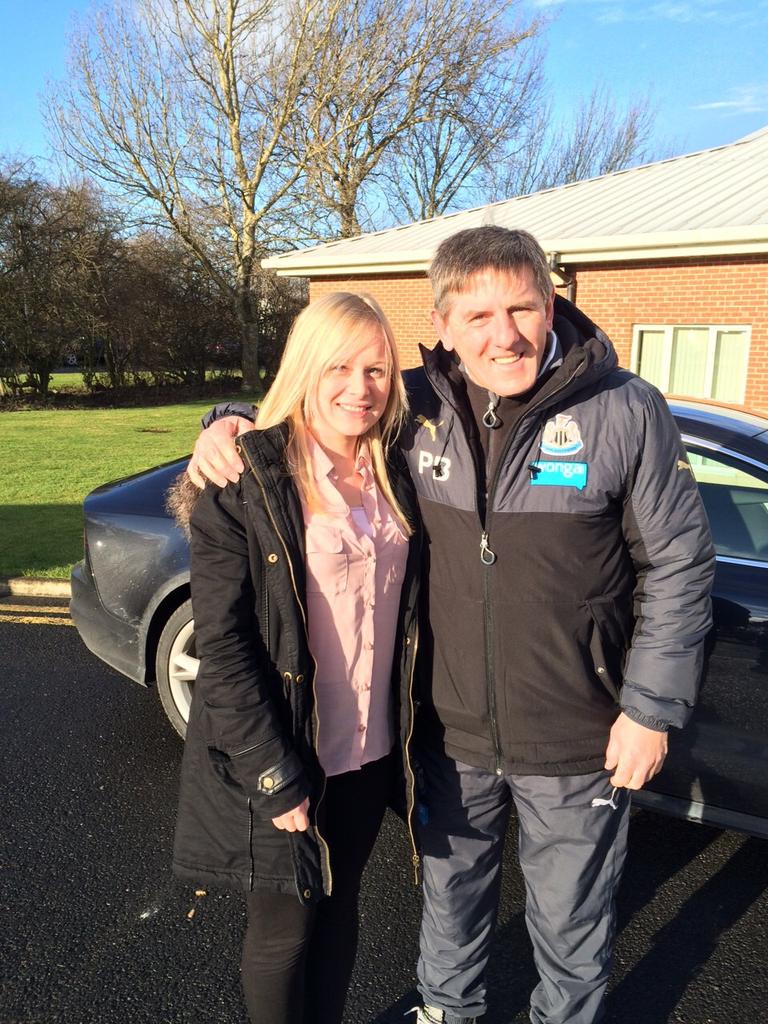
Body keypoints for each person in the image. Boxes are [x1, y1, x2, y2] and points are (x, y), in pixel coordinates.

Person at [187, 227, 715, 1024]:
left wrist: (648, 710)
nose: (502, 334)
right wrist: (225, 422)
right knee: (450, 916)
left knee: (572, 928)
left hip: (577, 736)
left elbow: (679, 565)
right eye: (477, 316)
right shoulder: (418, 405)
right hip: (446, 737)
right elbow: (319, 407)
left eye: (522, 308)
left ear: (551, 304)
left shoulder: (625, 410)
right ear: (443, 323)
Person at [171, 291, 422, 1024]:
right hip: (287, 753)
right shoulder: (248, 481)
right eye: (339, 366)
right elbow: (223, 642)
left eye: (377, 369)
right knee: (283, 931)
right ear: (305, 368)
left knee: (341, 910)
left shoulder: (395, 465)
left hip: (371, 753)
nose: (359, 387)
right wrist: (275, 774)